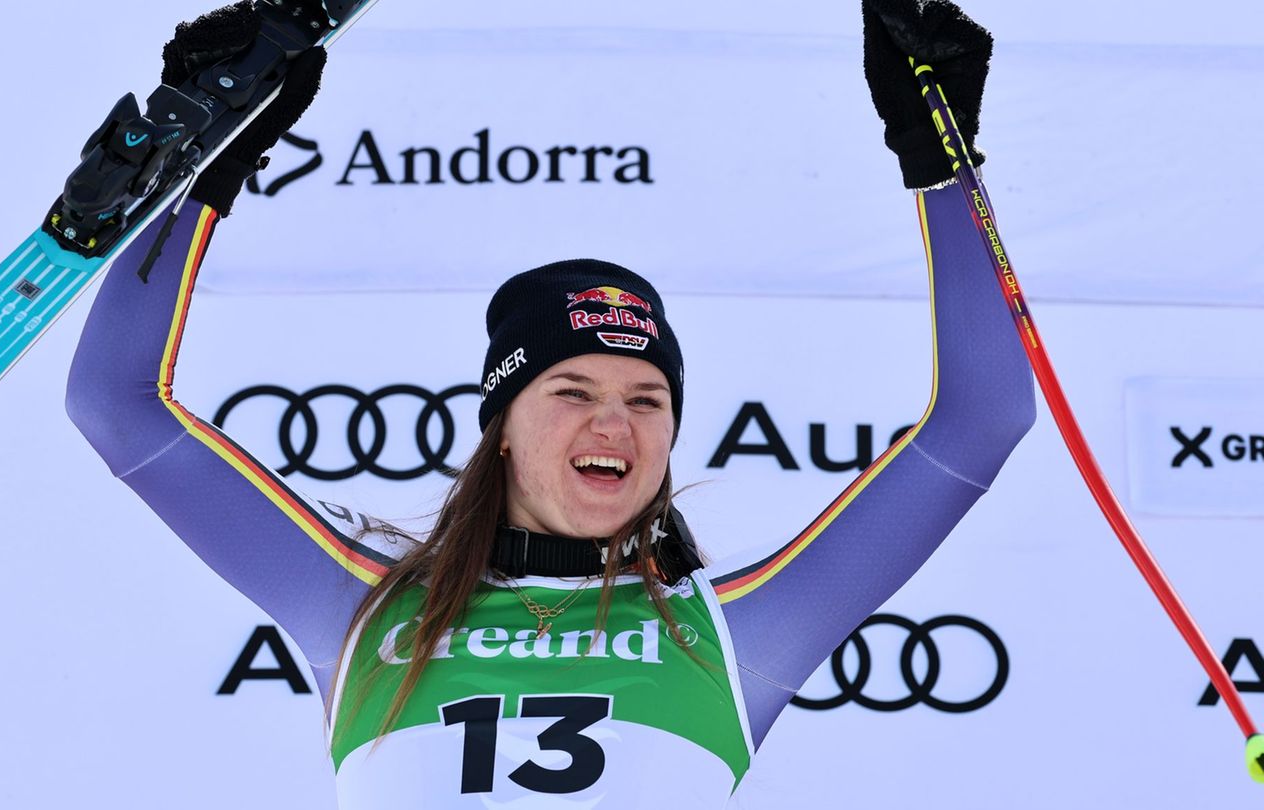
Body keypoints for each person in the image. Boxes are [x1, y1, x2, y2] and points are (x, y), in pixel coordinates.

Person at [65, 1, 1035, 806]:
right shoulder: (366, 611)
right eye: (572, 390)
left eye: (647, 399)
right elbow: (118, 406)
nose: (614, 424)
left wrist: (940, 156)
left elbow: (980, 422)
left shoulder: (737, 633)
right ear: (504, 429)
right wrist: (210, 155)